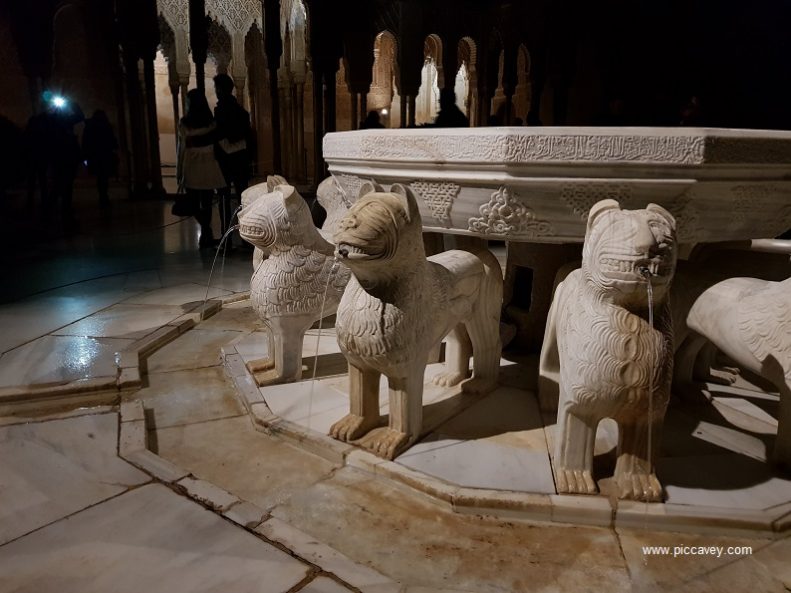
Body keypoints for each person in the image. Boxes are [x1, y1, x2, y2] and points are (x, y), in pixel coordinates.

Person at [177, 89, 227, 249]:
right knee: (206, 202)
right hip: (208, 165)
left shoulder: (184, 124)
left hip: (192, 166)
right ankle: (206, 231)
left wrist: (179, 172)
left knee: (193, 202)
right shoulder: (211, 123)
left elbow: (182, 148)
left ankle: (206, 232)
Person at [212, 74, 252, 239]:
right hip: (241, 159)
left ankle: (226, 237)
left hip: (225, 162)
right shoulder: (241, 112)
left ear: (220, 89)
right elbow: (248, 136)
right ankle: (246, 237)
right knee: (243, 199)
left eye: (216, 89)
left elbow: (218, 136)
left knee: (224, 198)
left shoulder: (220, 111)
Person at [47, 96, 84, 230]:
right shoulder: (57, 122)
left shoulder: (59, 121)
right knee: (62, 186)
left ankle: (59, 212)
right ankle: (59, 212)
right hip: (63, 158)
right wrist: (71, 103)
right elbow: (80, 115)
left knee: (62, 186)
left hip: (63, 158)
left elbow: (80, 116)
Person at [82, 110, 118, 207]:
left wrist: (85, 156)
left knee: (101, 177)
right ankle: (104, 196)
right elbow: (112, 140)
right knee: (104, 178)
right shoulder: (106, 126)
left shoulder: (90, 127)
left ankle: (103, 196)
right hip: (104, 155)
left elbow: (86, 141)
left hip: (96, 155)